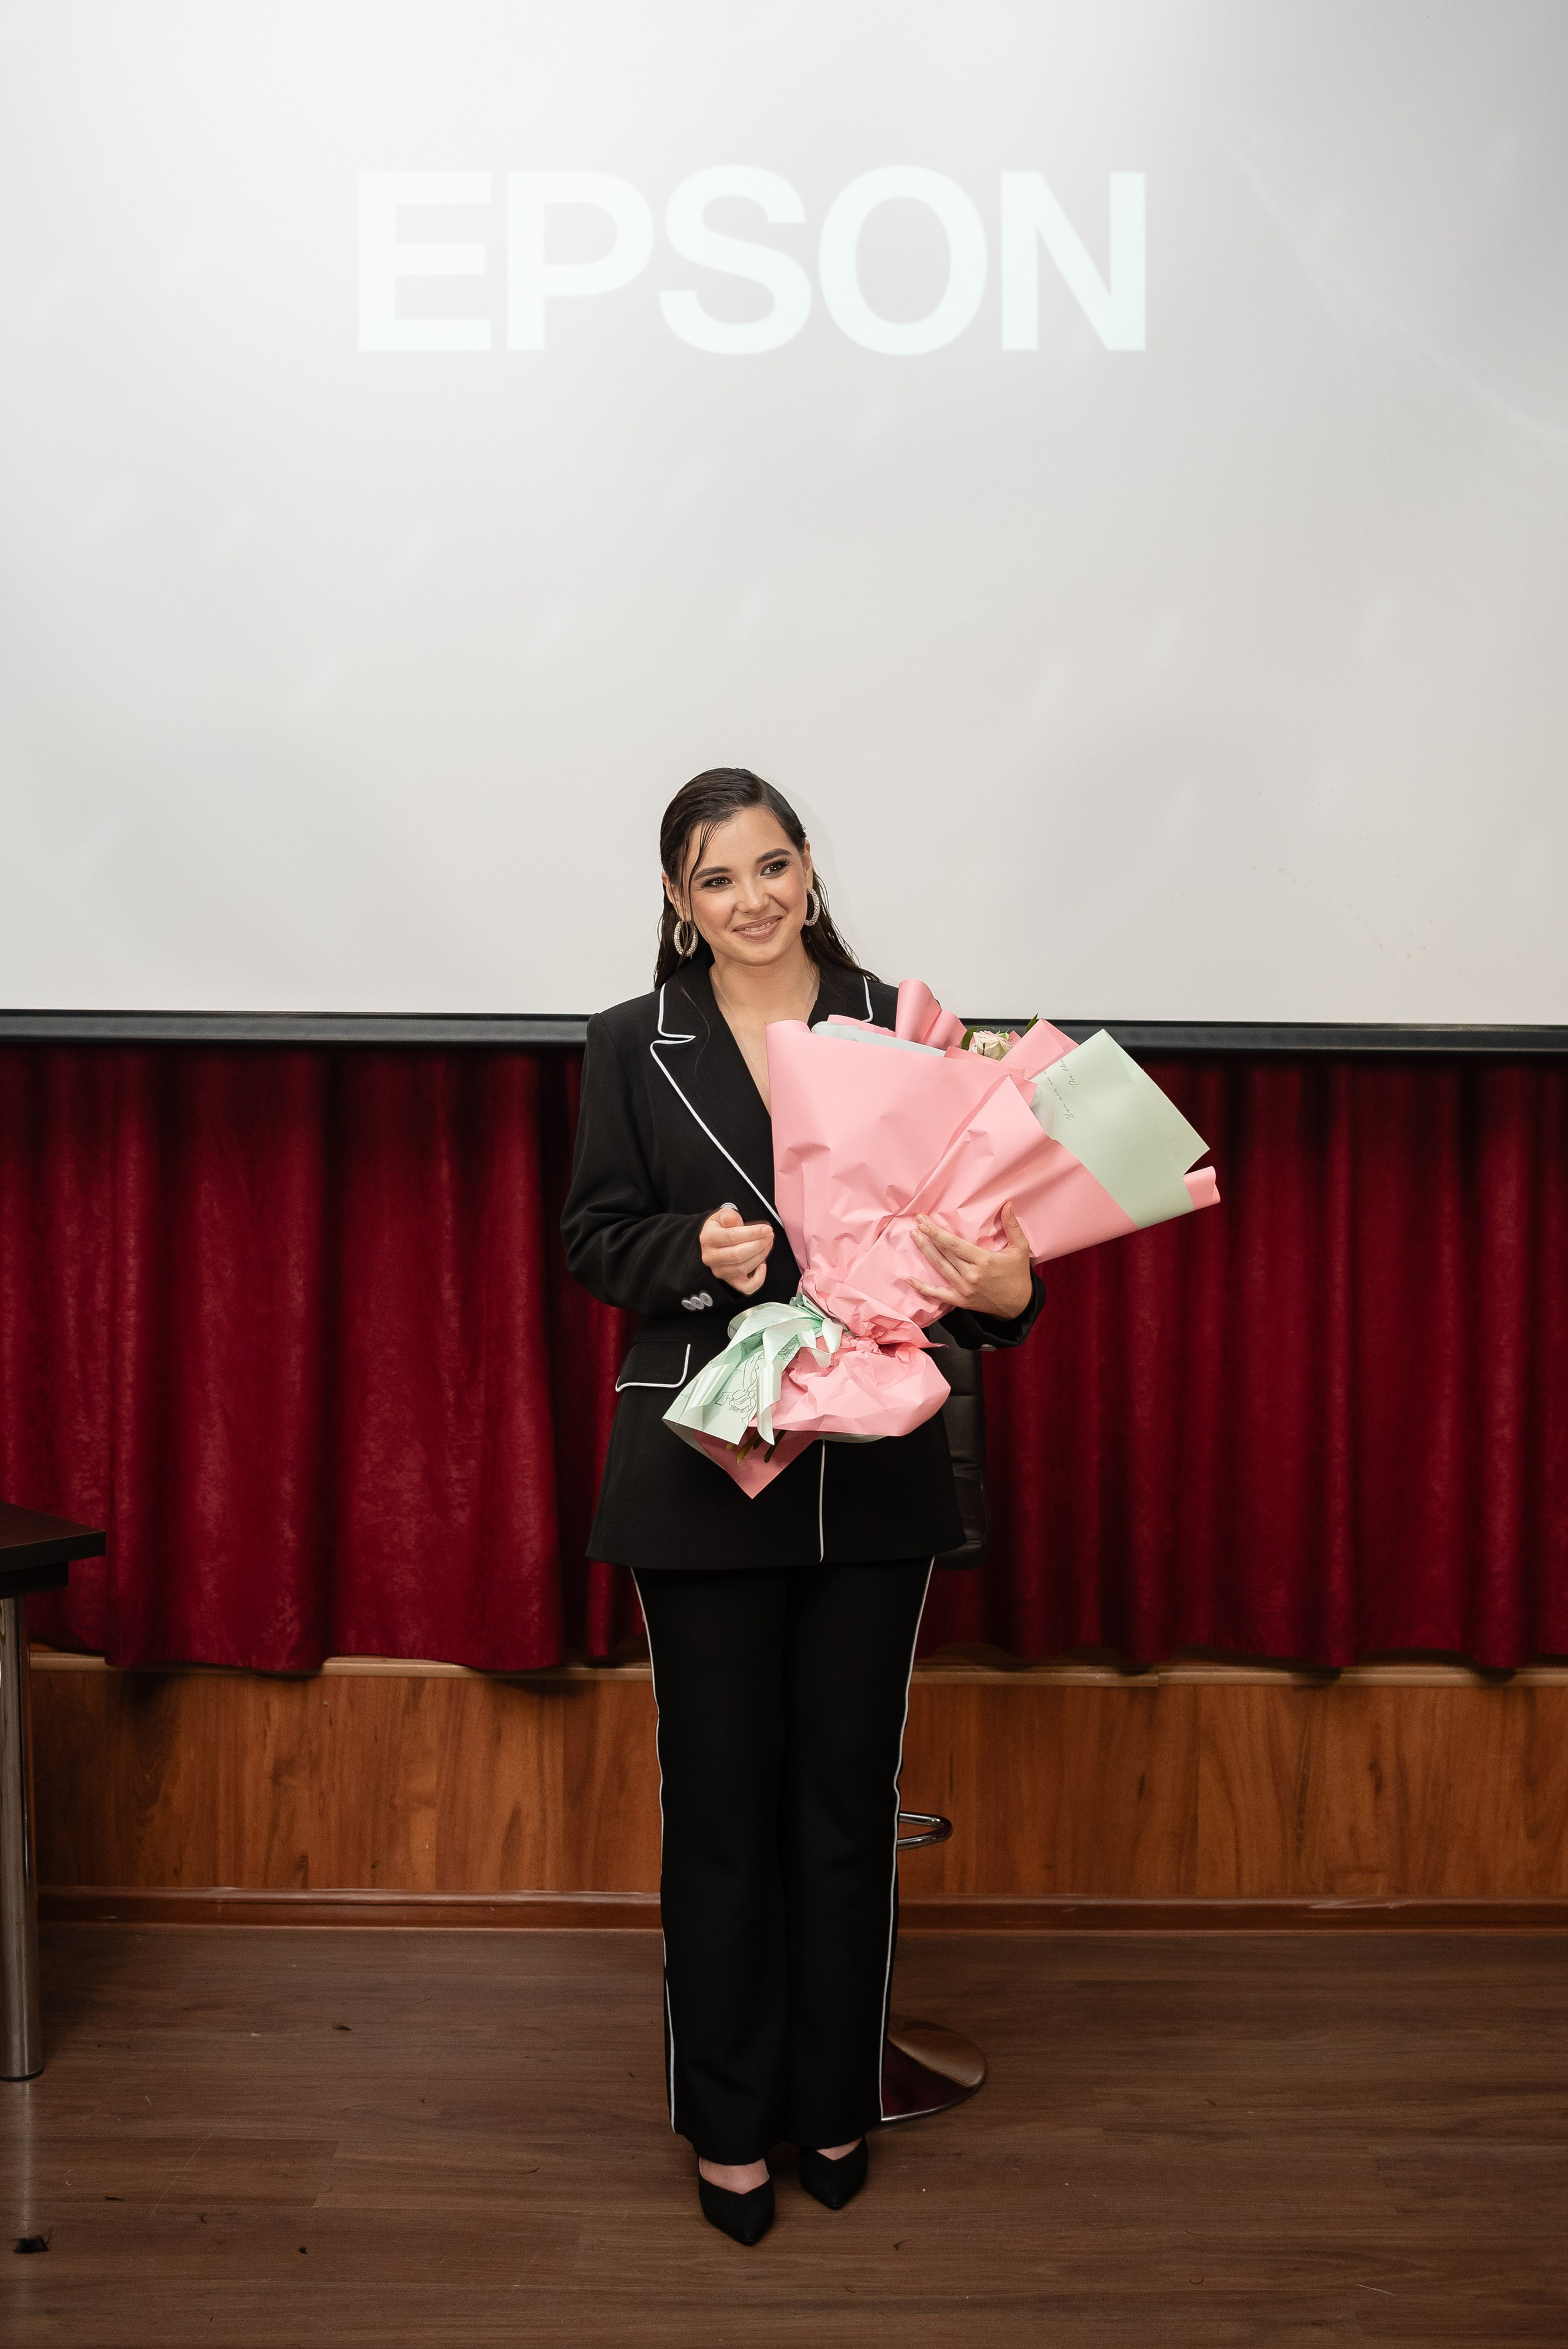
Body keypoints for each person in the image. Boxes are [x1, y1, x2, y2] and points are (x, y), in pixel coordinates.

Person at [560, 766, 1042, 2245]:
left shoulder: (904, 1025)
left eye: (774, 866)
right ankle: (726, 2127)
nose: (753, 899)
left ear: (809, 869)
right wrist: (693, 1254)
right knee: (719, 1815)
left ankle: (833, 2098)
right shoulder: (626, 1045)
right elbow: (592, 1236)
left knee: (840, 1808)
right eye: (717, 879)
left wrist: (1006, 1290)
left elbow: (991, 1243)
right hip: (706, 1460)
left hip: (871, 1470)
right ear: (675, 901)